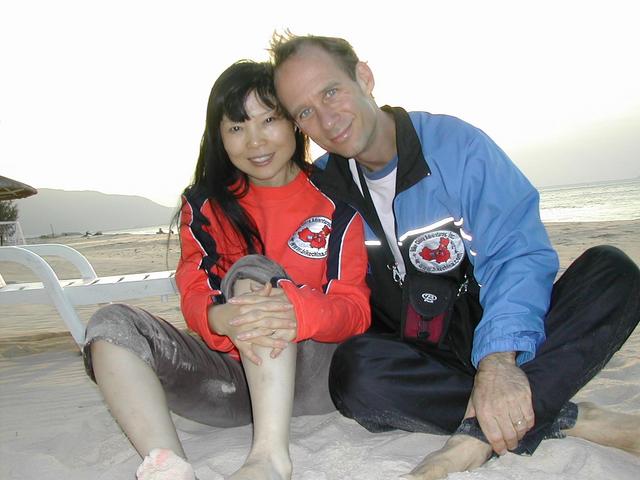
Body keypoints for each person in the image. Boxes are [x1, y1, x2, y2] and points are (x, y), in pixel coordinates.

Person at [269, 33, 640, 479]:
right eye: (305, 112)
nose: (326, 120)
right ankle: (567, 416)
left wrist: (499, 361)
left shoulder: (455, 147)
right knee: (354, 375)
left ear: (364, 77)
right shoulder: (322, 189)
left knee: (614, 270)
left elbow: (516, 253)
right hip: (422, 358)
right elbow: (307, 280)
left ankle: (470, 440)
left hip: (505, 338)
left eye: (331, 91)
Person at [82, 60, 370, 480]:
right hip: (230, 385)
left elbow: (356, 310)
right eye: (236, 127)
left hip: (310, 378)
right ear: (218, 136)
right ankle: (168, 466)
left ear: (293, 123)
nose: (255, 140)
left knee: (252, 272)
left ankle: (269, 458)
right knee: (110, 325)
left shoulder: (335, 203)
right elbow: (194, 287)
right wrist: (217, 317)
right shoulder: (204, 205)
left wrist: (297, 311)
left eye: (269, 119)